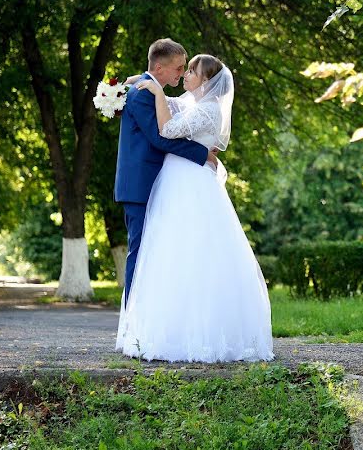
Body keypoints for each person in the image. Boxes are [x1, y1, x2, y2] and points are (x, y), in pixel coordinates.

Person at [115, 53, 274, 363]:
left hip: (190, 184)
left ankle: (198, 333)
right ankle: (162, 327)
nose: (185, 74)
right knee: (169, 254)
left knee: (194, 253)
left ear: (207, 81)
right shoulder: (194, 104)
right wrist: (143, 80)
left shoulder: (209, 110)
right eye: (184, 69)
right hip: (175, 182)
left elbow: (168, 130)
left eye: (191, 71)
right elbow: (173, 103)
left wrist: (158, 91)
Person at [114, 38, 217, 303]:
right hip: (139, 185)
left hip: (148, 183)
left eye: (185, 69)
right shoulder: (144, 94)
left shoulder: (146, 89)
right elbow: (161, 138)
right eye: (179, 68)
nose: (182, 73)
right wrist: (202, 154)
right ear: (159, 68)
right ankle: (131, 322)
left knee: (152, 252)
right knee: (138, 251)